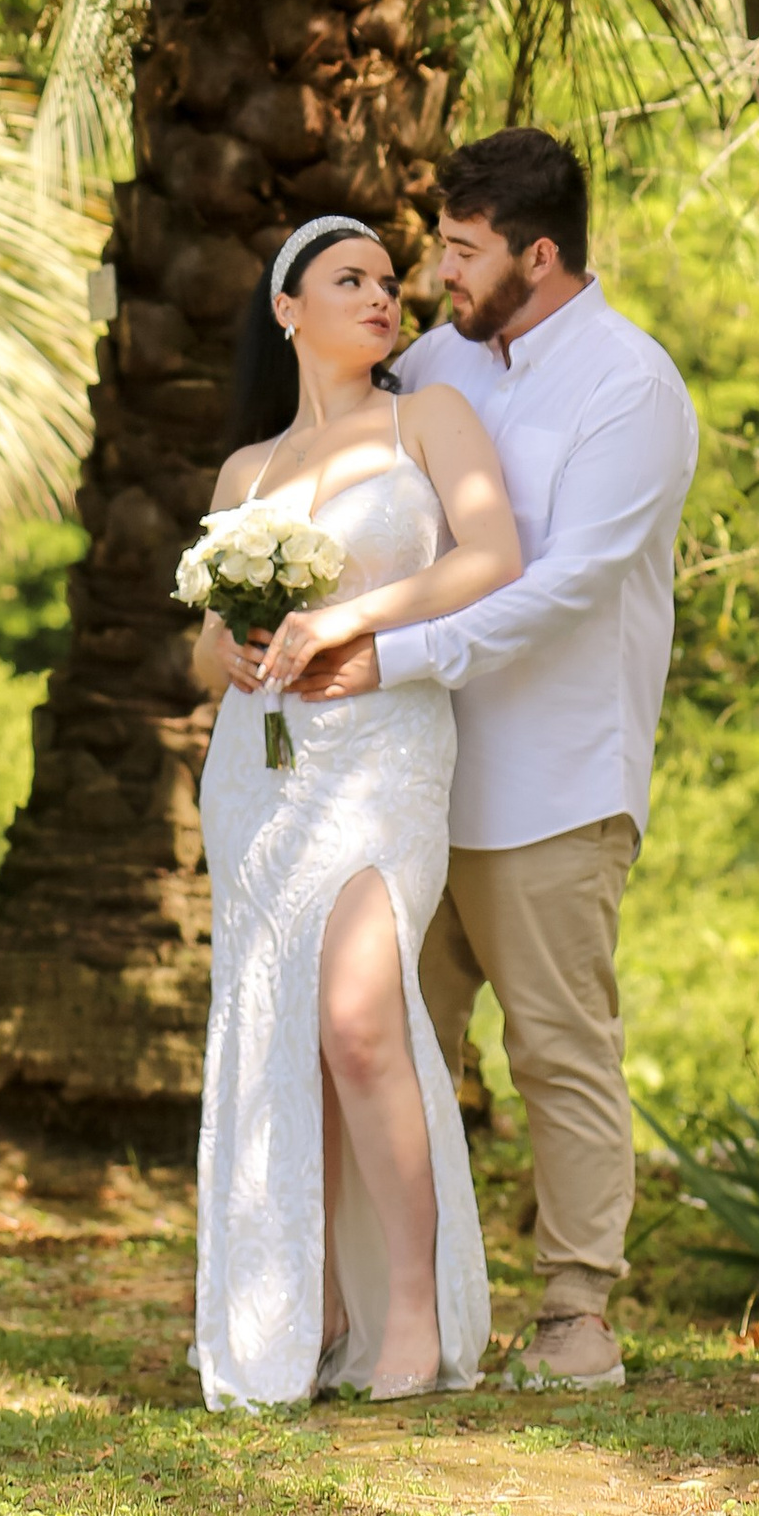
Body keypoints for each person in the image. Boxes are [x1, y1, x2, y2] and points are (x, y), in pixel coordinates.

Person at [284, 127, 697, 1394]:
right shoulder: (437, 362)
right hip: (406, 776)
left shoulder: (632, 390)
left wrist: (388, 659)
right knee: (388, 1042)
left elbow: (564, 589)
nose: (435, 272)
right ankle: (379, 1318)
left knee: (557, 1046)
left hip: (553, 782)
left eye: (462, 250)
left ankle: (577, 1314)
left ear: (541, 253)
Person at [188, 212, 521, 1410]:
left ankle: (414, 1318)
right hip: (259, 778)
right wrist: (229, 653)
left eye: (389, 281)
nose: (383, 297)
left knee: (358, 1021)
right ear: (288, 309)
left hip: (383, 754)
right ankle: (309, 1306)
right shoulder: (246, 474)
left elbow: (492, 556)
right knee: (285, 1031)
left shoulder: (424, 418)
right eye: (350, 280)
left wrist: (346, 619)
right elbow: (199, 657)